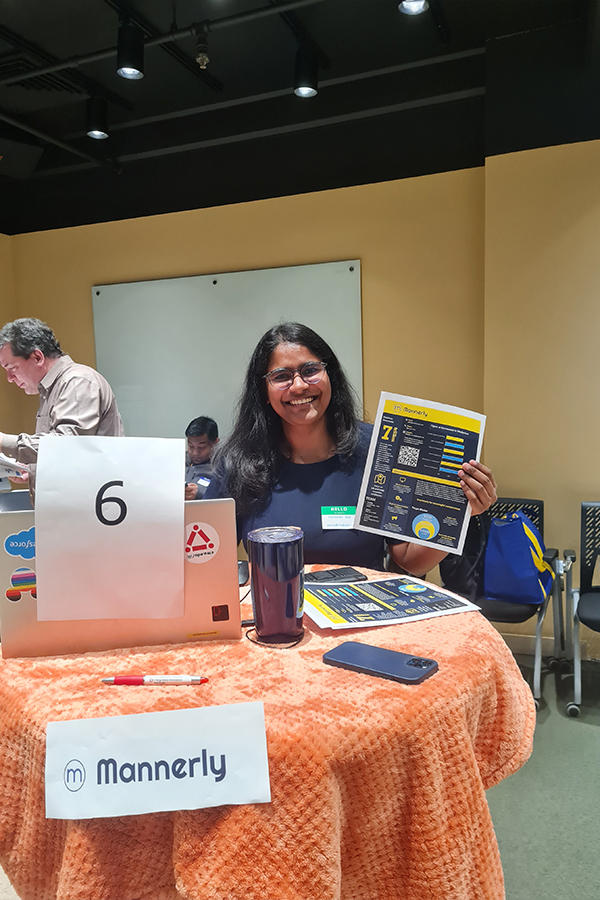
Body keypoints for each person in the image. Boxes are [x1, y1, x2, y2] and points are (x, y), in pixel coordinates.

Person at [205, 322, 497, 575]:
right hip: (277, 624)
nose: (298, 386)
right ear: (264, 393)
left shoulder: (377, 450)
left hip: (363, 623)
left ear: (331, 375)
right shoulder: (235, 462)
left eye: (310, 370)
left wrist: (457, 515)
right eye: (281, 376)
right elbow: (205, 560)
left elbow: (410, 562)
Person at [0, 317, 124, 499]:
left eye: (12, 367)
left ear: (37, 357)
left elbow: (65, 445)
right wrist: (33, 471)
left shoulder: (76, 382)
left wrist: (3, 441)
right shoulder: (53, 389)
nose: (10, 378)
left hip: (89, 511)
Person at [185, 416, 219, 500]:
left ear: (215, 443)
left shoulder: (221, 469)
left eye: (201, 447)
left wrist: (201, 493)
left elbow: (227, 497)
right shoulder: (177, 460)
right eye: (191, 446)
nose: (194, 453)